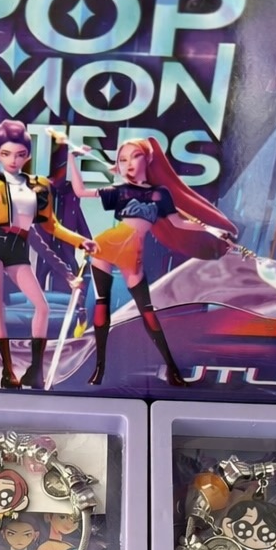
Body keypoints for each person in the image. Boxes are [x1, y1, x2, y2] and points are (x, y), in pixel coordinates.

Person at [66, 136, 236, 385]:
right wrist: (72, 157)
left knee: (147, 311)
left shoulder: (160, 194)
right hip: (106, 245)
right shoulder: (120, 191)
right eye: (123, 160)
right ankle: (99, 367)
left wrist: (213, 231)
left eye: (135, 156)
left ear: (148, 159)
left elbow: (179, 223)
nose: (129, 164)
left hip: (132, 252)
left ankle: (171, 367)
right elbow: (80, 192)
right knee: (102, 303)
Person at [0, 120, 93, 390]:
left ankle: (35, 370)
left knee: (42, 307)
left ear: (28, 156)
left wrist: (81, 241)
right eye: (7, 154)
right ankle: (8, 371)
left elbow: (52, 227)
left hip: (18, 248)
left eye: (20, 154)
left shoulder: (40, 185)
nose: (13, 160)